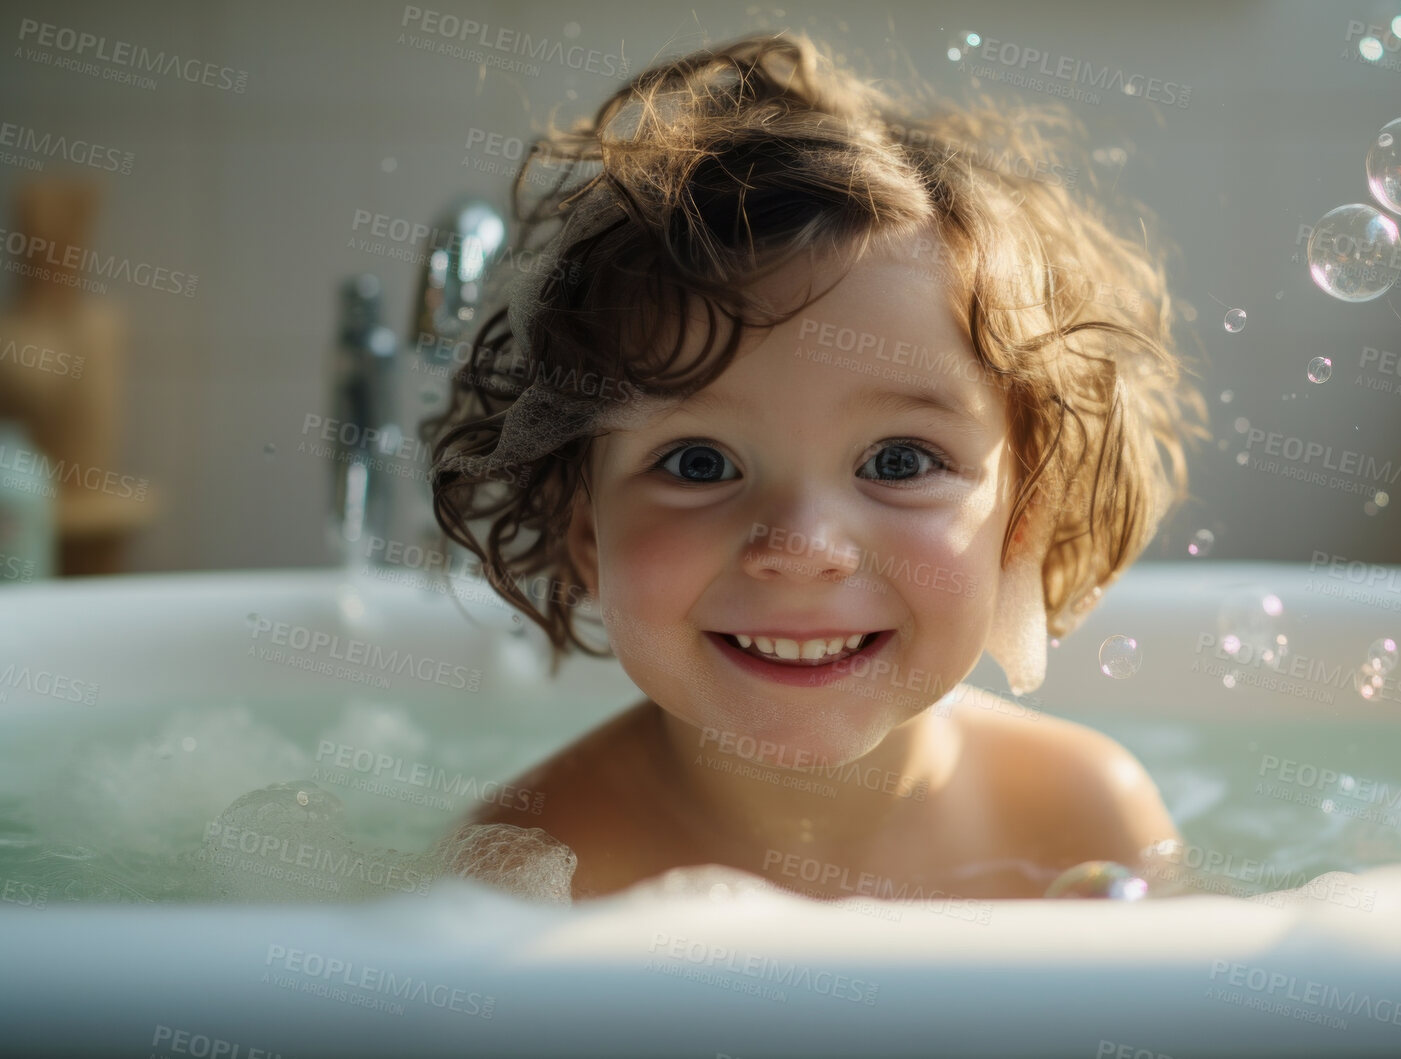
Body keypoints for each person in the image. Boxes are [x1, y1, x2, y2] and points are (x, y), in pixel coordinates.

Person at [424, 30, 1210, 902]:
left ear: (1019, 522)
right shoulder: (531, 865)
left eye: (900, 459)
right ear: (585, 533)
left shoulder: (1081, 814)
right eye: (696, 462)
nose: (800, 545)